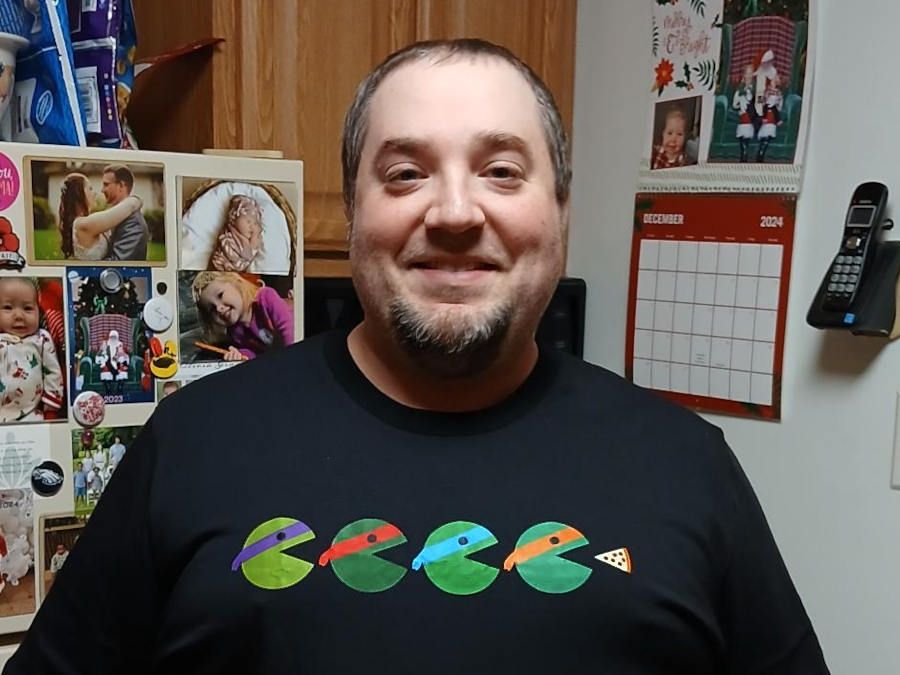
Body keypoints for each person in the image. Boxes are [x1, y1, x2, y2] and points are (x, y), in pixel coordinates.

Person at [5, 39, 829, 674]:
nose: (456, 211)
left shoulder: (686, 466)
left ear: (561, 212)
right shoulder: (193, 443)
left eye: (501, 170)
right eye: (405, 174)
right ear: (353, 212)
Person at [0, 277, 64, 422]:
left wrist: (50, 410)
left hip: (30, 415)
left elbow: (53, 374)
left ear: (38, 311)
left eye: (28, 308)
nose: (19, 316)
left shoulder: (41, 339)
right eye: (8, 308)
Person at [190, 271, 293, 361]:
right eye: (212, 309)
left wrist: (289, 359)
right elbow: (255, 353)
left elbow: (289, 329)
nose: (218, 308)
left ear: (236, 283)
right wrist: (239, 355)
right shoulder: (235, 331)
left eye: (220, 295)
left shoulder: (265, 297)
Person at [58, 173, 143, 260]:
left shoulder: (81, 223)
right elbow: (131, 206)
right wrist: (137, 199)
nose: (94, 193)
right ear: (79, 193)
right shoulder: (83, 224)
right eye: (90, 189)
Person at [101, 164, 150, 261]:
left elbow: (118, 263)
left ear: (121, 185)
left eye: (106, 184)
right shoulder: (117, 217)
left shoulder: (134, 224)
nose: (102, 190)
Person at [209, 194, 264, 272]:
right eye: (248, 221)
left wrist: (253, 244)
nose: (251, 226)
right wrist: (252, 248)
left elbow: (248, 262)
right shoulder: (227, 238)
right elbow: (239, 260)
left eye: (255, 223)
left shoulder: (251, 239)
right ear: (234, 218)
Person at [733, 63, 758, 162]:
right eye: (747, 73)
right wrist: (740, 103)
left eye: (751, 73)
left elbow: (760, 102)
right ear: (744, 75)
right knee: (743, 136)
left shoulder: (756, 88)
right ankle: (744, 155)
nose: (749, 76)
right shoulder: (740, 89)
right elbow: (734, 104)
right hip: (743, 115)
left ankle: (747, 155)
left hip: (752, 115)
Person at [95, 329, 129, 395]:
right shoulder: (105, 345)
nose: (113, 339)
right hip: (108, 363)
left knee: (122, 370)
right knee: (106, 371)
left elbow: (125, 356)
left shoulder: (120, 345)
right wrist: (102, 354)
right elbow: (99, 355)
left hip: (118, 363)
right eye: (112, 337)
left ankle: (120, 387)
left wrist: (121, 355)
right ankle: (108, 389)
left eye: (114, 337)